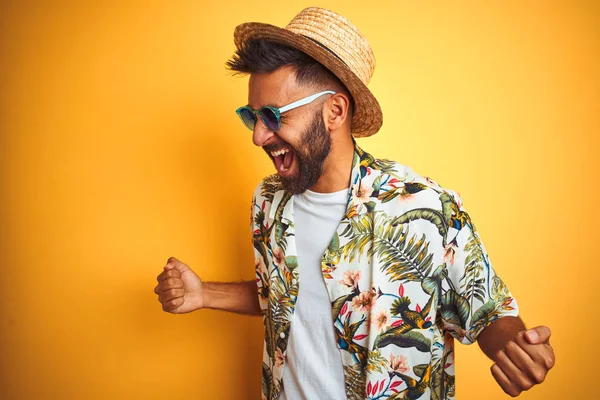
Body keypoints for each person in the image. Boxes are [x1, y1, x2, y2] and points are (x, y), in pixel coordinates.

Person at [153, 7, 555, 400]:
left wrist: (515, 347)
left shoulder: (423, 206)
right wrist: (204, 293)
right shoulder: (268, 201)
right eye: (252, 115)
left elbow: (487, 313)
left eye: (273, 116)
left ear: (335, 110)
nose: (258, 136)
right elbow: (282, 295)